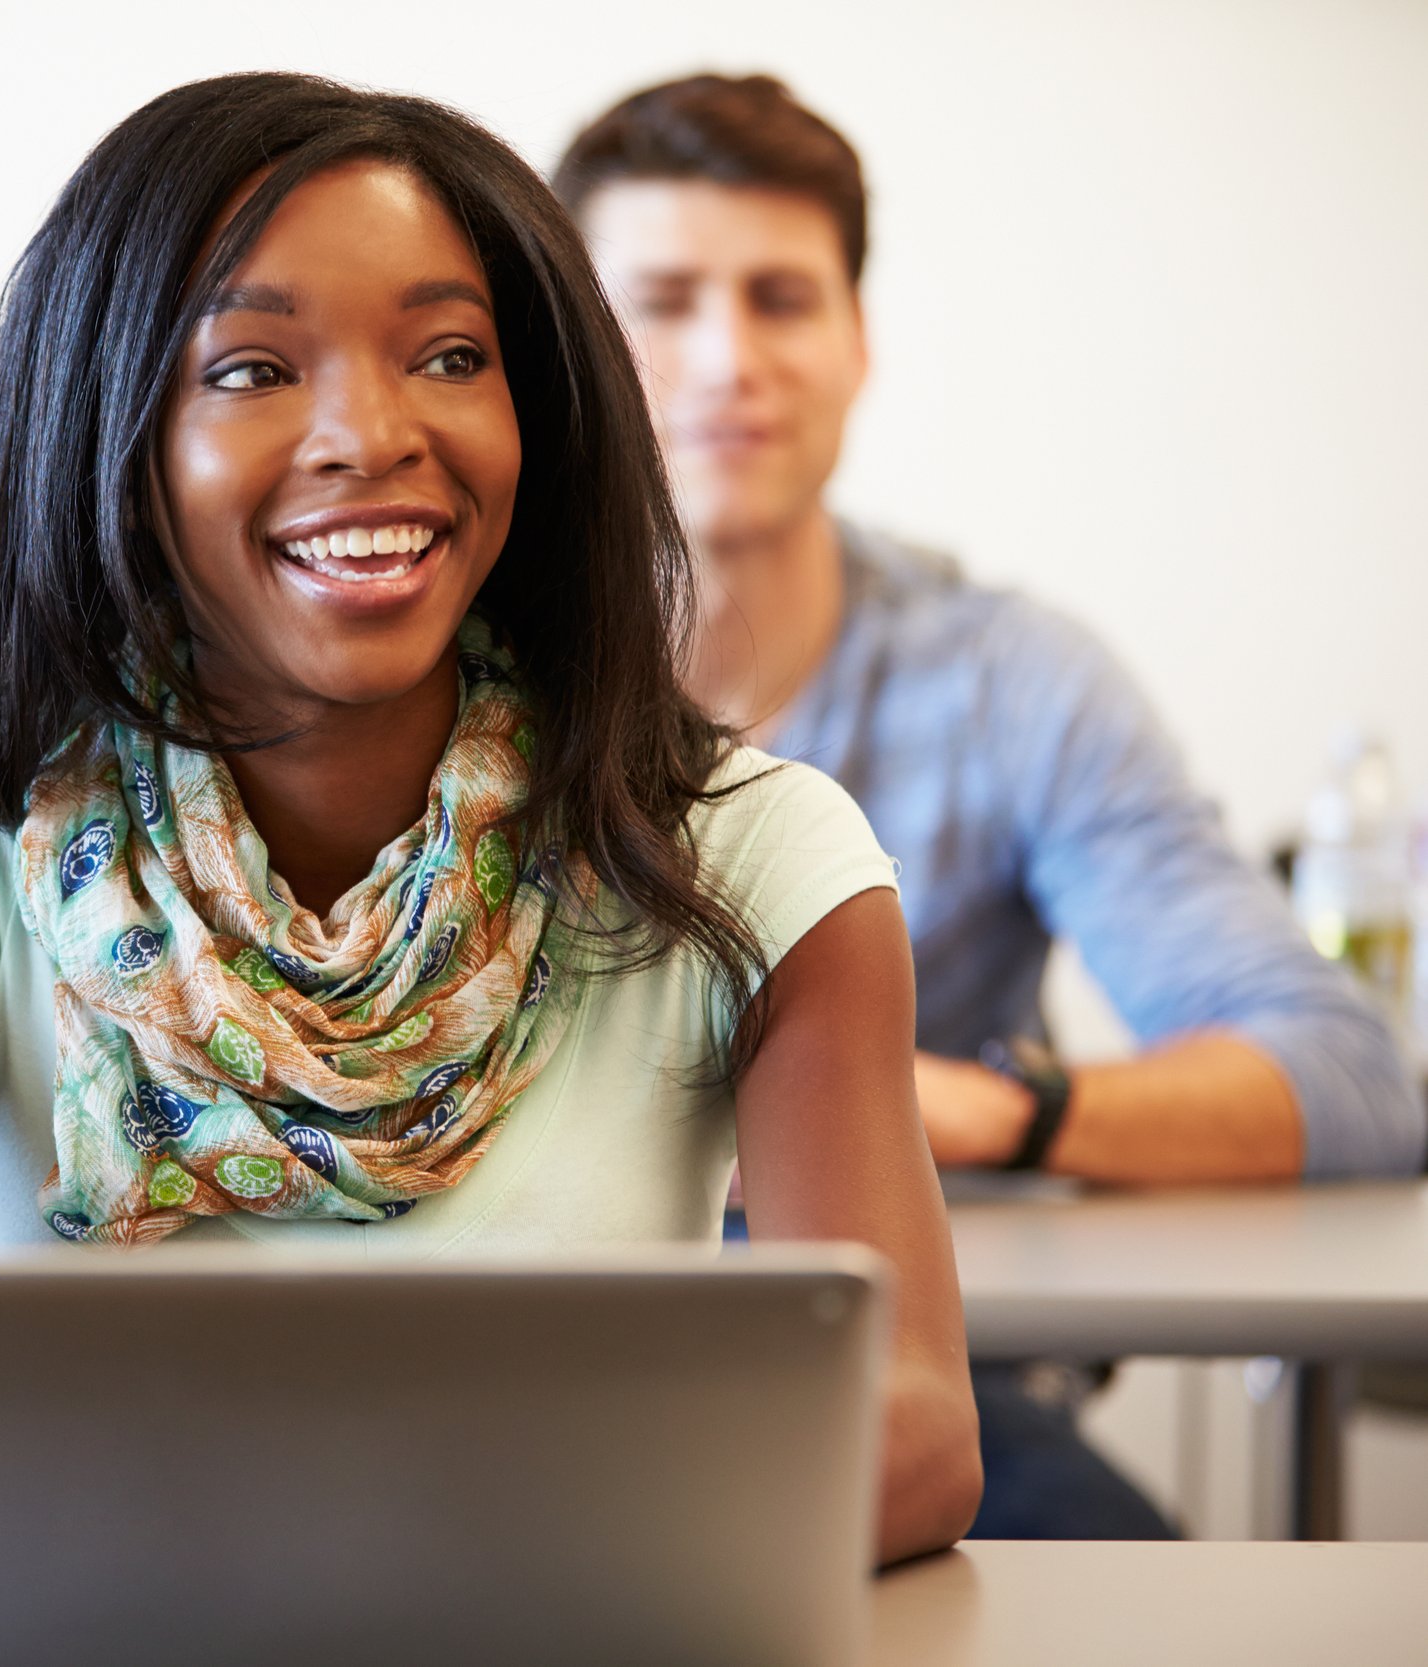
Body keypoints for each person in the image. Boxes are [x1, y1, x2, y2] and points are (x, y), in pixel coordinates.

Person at [0, 71, 982, 1567]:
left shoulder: (757, 854)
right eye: (254, 370)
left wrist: (369, 1529)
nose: (371, 434)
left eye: (451, 354)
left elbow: (915, 1426)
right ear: (111, 436)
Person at [553, 72, 1425, 1536]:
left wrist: (981, 1104)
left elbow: (1344, 1076)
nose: (726, 360)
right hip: (539, 1382)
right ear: (568, 351)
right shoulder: (446, 674)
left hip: (932, 1402)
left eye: (781, 297)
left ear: (857, 342)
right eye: (661, 300)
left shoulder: (1020, 680)